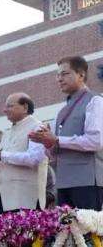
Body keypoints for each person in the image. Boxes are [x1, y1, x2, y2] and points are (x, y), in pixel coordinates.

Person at [29, 56, 103, 210]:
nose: (59, 79)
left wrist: (56, 140)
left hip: (87, 182)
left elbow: (95, 141)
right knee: (65, 233)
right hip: (62, 182)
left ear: (81, 75)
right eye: (58, 75)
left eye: (65, 74)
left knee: (88, 232)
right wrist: (47, 143)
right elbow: (54, 154)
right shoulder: (61, 112)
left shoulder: (95, 101)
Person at [0, 93, 48, 212]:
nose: (4, 110)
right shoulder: (6, 133)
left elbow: (34, 159)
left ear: (25, 107)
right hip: (3, 199)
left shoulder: (38, 127)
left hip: (25, 199)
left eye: (9, 106)